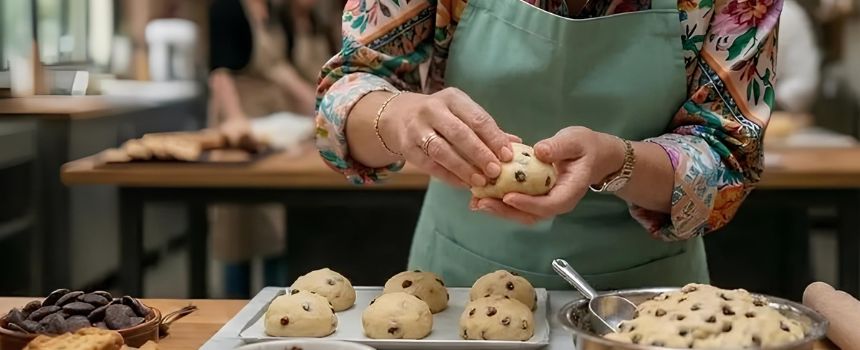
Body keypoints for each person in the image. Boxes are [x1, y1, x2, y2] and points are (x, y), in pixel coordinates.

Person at [316, 0, 781, 289]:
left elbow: (727, 161)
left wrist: (617, 162)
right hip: (459, 287)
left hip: (640, 304)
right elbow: (346, 90)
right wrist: (397, 117)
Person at [208, 0, 338, 297]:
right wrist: (235, 118)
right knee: (237, 223)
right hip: (239, 126)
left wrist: (319, 106)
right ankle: (234, 303)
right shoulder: (227, 9)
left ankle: (277, 301)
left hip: (274, 126)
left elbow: (280, 68)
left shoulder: (274, 12)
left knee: (273, 223)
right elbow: (220, 71)